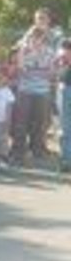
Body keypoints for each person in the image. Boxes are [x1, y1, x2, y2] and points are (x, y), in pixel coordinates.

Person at [11, 9, 59, 166]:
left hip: (42, 90)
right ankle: (18, 151)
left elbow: (51, 72)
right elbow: (20, 68)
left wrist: (35, 70)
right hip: (24, 89)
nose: (36, 40)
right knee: (21, 121)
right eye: (33, 37)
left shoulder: (51, 49)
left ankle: (38, 150)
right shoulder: (23, 48)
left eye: (39, 38)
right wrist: (37, 69)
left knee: (39, 122)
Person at [59, 39, 71, 173]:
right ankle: (66, 160)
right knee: (66, 125)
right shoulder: (66, 43)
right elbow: (63, 59)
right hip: (67, 87)